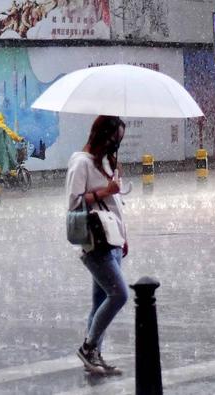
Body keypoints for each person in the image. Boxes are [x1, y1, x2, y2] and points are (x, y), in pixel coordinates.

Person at [65, 115, 128, 375]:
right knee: (119, 295)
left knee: (100, 300)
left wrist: (124, 238)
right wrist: (106, 191)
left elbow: (116, 205)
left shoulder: (104, 162)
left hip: (112, 239)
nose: (117, 145)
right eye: (115, 139)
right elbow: (73, 203)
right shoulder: (81, 163)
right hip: (95, 241)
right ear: (102, 136)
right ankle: (89, 347)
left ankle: (94, 356)